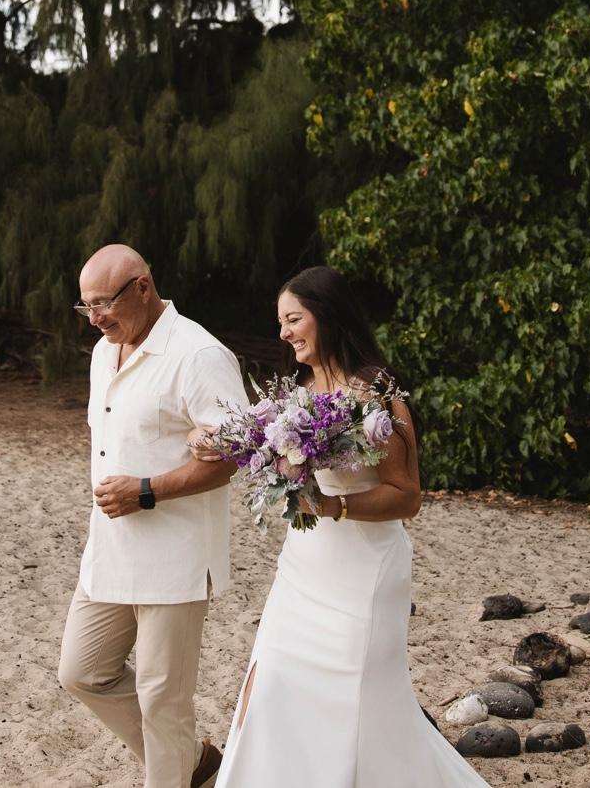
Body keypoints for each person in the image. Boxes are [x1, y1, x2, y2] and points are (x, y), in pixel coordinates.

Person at [189, 265, 489, 787]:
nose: (283, 332)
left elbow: (408, 496)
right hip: (305, 566)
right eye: (280, 322)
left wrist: (334, 508)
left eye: (292, 319)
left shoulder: (376, 396)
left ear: (325, 316)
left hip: (365, 570)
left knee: (363, 707)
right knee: (273, 681)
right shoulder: (297, 392)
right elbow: (258, 445)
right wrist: (215, 440)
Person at [58, 244, 247, 788]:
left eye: (104, 305)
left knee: (163, 700)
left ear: (144, 286)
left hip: (176, 557)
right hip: (110, 549)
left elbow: (234, 457)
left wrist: (146, 491)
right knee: (82, 672)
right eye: (85, 307)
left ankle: (175, 772)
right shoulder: (103, 352)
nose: (95, 320)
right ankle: (194, 763)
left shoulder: (199, 355)